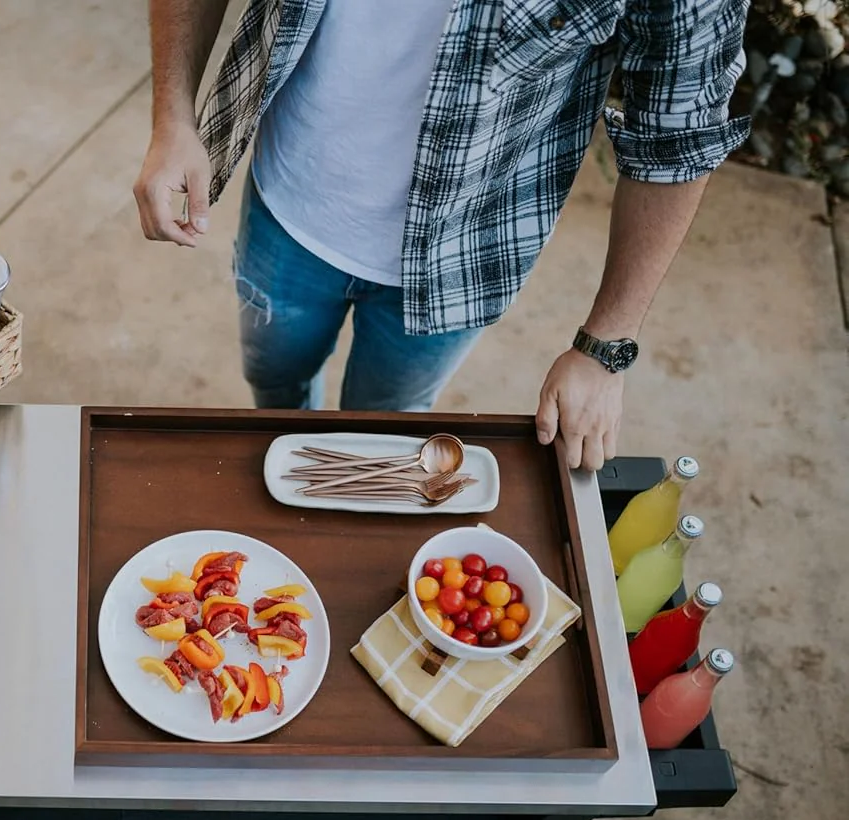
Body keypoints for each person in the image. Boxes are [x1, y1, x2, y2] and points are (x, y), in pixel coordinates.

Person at [134, 0, 748, 471]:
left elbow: (679, 133)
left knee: (384, 437)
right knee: (274, 386)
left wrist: (605, 349)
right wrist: (172, 117)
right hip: (285, 201)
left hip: (464, 257)